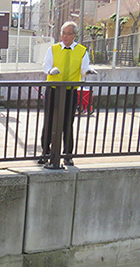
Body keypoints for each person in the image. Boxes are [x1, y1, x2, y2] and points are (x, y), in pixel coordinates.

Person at [39, 21, 94, 169]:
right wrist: (51, 71)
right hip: (54, 89)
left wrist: (88, 71)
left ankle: (67, 155)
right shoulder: (54, 49)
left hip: (70, 91)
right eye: (63, 33)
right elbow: (46, 66)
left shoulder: (81, 50)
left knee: (67, 123)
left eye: (68, 34)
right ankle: (45, 152)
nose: (65, 36)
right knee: (49, 121)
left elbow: (84, 68)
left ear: (75, 35)